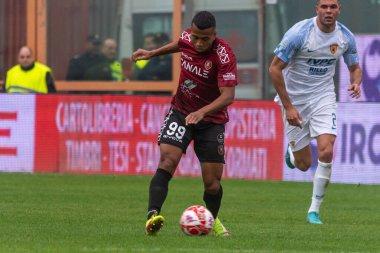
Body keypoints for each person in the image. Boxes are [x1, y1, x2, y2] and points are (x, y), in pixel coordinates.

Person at [132, 11, 238, 236]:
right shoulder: (188, 38)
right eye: (195, 37)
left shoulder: (224, 55)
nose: (198, 43)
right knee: (167, 160)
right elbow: (179, 44)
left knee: (212, 183)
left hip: (211, 120)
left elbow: (228, 96)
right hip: (180, 112)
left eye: (205, 39)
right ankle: (152, 217)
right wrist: (152, 53)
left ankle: (211, 221)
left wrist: (201, 112)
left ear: (214, 35)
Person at [269, 0, 362, 225]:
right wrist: (289, 106)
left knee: (327, 151)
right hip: (295, 100)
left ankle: (314, 210)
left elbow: (355, 67)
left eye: (333, 7)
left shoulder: (345, 37)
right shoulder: (299, 34)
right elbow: (274, 69)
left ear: (339, 9)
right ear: (316, 9)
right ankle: (292, 155)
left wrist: (356, 82)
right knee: (303, 164)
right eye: (324, 7)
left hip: (324, 98)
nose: (328, 11)